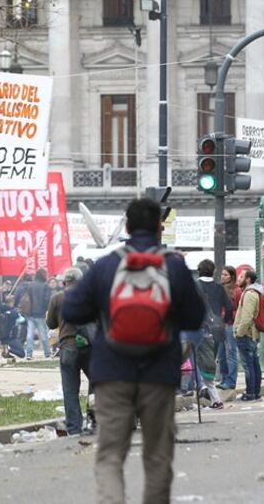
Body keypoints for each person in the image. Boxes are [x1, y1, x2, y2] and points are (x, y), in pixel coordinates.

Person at [61, 198, 205, 504]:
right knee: (157, 455)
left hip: (112, 371)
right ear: (158, 228)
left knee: (111, 453)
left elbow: (71, 310)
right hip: (159, 373)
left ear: (126, 227)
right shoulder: (174, 265)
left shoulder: (107, 265)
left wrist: (102, 311)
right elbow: (196, 317)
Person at [47, 267, 92, 434]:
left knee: (70, 389)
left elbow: (51, 324)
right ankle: (94, 421)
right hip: (89, 347)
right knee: (96, 384)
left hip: (68, 347)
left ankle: (74, 427)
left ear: (64, 282)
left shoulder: (57, 298)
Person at [193, 260, 232, 408]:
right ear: (214, 272)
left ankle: (202, 389)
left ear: (198, 270)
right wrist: (223, 321)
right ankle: (212, 396)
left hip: (198, 328)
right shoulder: (219, 288)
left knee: (194, 360)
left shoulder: (194, 287)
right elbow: (229, 307)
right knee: (211, 362)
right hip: (217, 329)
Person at [233, 268, 264, 402]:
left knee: (248, 364)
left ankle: (251, 392)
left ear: (248, 280)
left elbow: (247, 317)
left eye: (241, 277)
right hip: (251, 334)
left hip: (247, 334)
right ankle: (255, 391)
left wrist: (239, 332)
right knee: (253, 363)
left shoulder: (250, 294)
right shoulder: (252, 292)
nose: (238, 279)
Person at [216, 265, 239, 390]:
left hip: (230, 324)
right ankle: (224, 378)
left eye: (226, 275)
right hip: (219, 325)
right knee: (221, 355)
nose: (223, 277)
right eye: (222, 274)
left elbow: (240, 309)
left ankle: (231, 381)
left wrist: (228, 317)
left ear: (232, 276)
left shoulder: (236, 291)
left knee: (231, 353)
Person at [22, 269, 53, 359]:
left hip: (30, 313)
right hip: (41, 313)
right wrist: (47, 309)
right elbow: (47, 300)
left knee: (29, 335)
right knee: (43, 335)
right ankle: (47, 353)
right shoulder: (46, 286)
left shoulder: (30, 285)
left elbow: (27, 298)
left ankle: (29, 353)